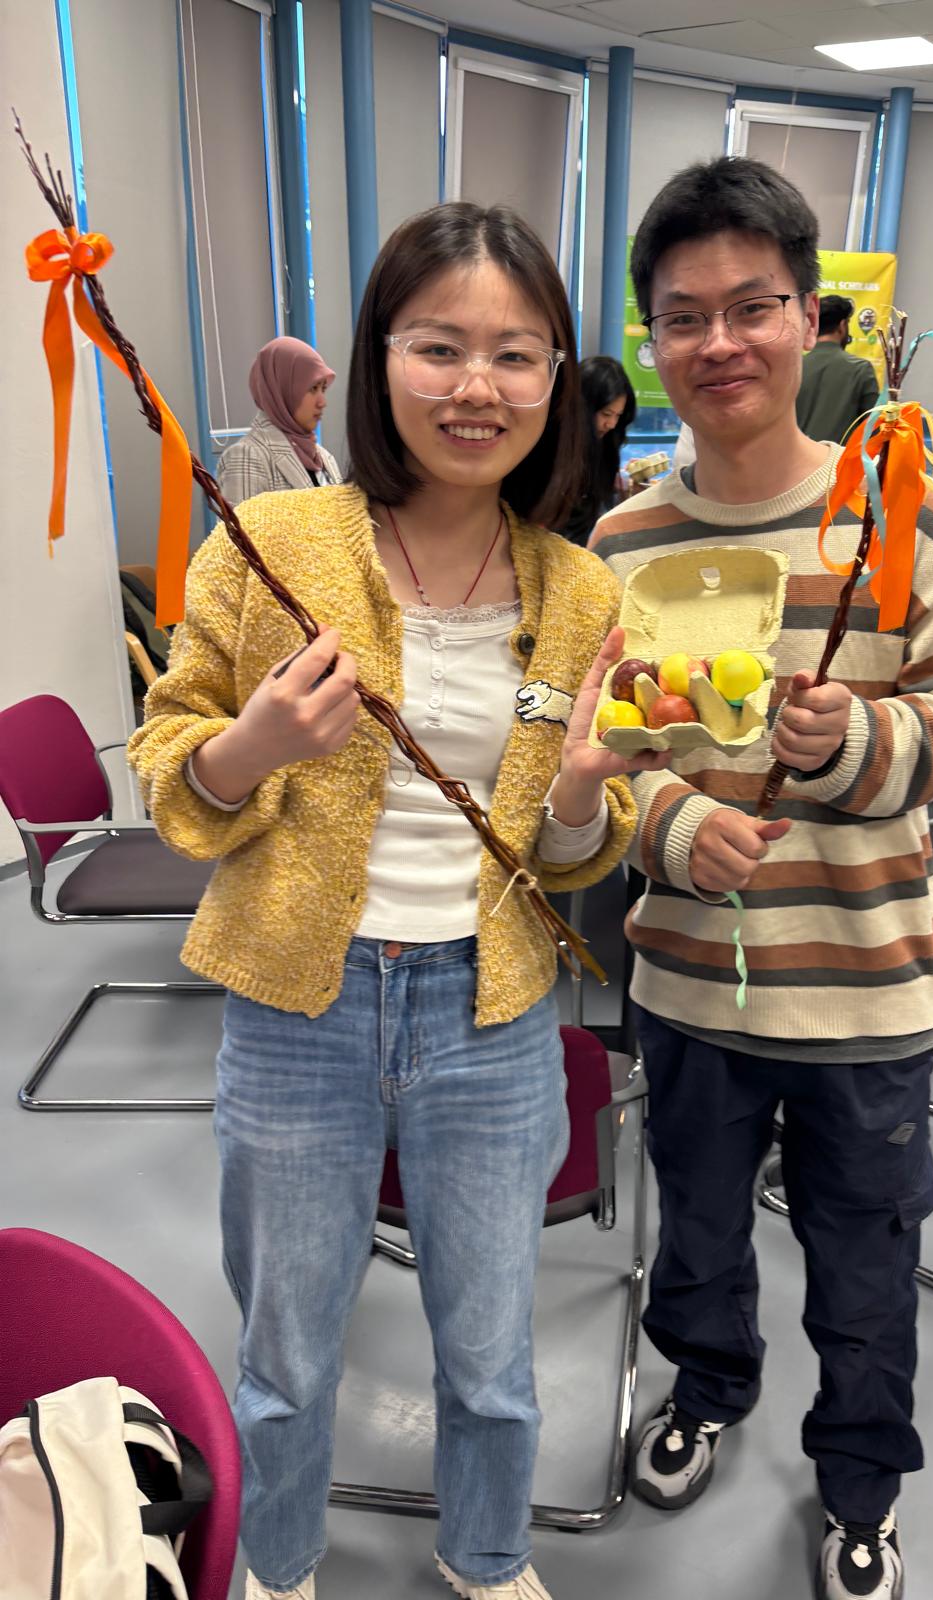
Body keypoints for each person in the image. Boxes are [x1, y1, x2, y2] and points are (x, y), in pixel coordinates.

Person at [129, 201, 670, 1600]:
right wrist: (253, 746)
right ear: (379, 359)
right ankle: (279, 1563)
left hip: (492, 1018)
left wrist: (579, 794)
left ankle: (488, 1557)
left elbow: (572, 855)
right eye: (439, 346)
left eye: (516, 353)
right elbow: (172, 764)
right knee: (286, 1350)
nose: (476, 386)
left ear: (556, 382)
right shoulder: (273, 544)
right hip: (296, 1008)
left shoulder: (578, 589)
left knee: (490, 1349)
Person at [590, 157, 933, 1600]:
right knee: (697, 1233)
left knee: (868, 1260)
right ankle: (708, 1388)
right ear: (651, 336)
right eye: (683, 316)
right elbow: (600, 754)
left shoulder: (897, 514)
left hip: (867, 992)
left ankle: (861, 1481)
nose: (720, 343)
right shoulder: (625, 542)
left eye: (752, 306)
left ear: (809, 317)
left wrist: (864, 743)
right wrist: (664, 826)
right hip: (691, 990)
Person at [216, 335, 343, 502]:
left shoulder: (323, 457)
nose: (322, 402)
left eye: (323, 389)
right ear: (283, 389)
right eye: (313, 389)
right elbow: (242, 520)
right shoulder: (247, 457)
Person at [557, 354, 637, 545]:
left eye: (618, 415)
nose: (611, 424)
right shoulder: (554, 447)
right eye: (606, 414)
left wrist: (621, 487)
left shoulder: (605, 443)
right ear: (582, 406)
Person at [794, 292, 881, 444]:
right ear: (842, 325)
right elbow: (874, 429)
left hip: (796, 458)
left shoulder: (795, 367)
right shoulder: (860, 370)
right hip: (841, 458)